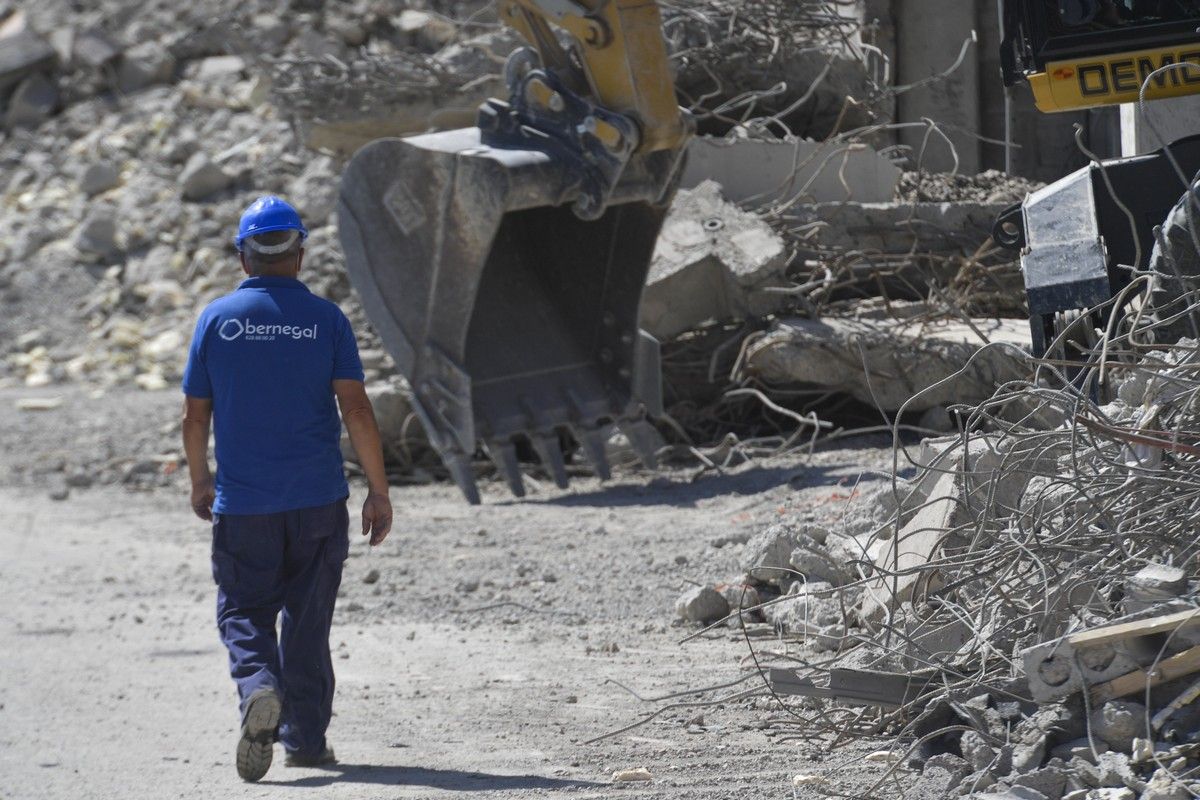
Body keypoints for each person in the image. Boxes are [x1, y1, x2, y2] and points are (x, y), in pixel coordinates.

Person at [180, 195, 393, 782]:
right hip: (319, 501)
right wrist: (378, 489)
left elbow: (195, 415)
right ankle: (305, 740)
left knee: (245, 610)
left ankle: (258, 687)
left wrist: (201, 478)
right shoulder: (327, 319)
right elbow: (356, 408)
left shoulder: (216, 320)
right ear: (299, 255)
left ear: (243, 258)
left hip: (245, 504)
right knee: (308, 619)